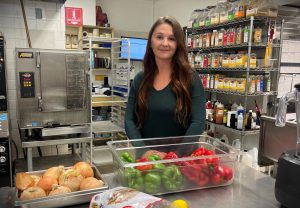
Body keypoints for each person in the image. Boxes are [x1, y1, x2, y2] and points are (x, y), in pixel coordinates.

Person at [124, 16, 205, 157]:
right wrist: (144, 151)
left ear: (178, 44)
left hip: (181, 162)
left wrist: (174, 156)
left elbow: (198, 123)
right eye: (159, 37)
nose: (165, 43)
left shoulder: (190, 78)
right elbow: (129, 120)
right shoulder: (140, 79)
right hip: (147, 162)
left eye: (172, 39)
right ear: (151, 42)